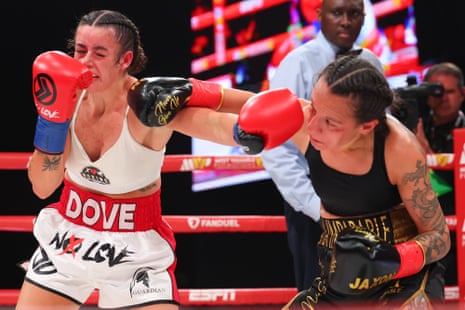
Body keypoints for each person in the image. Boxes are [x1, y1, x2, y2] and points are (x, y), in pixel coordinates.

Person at [15, 9, 305, 310]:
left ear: (125, 60)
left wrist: (245, 130)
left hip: (135, 249)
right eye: (80, 50)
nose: (86, 61)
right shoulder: (65, 97)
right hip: (68, 238)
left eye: (99, 53)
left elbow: (207, 119)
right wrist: (51, 121)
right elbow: (42, 187)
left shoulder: (147, 105)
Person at [282, 55, 450, 309]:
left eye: (331, 122)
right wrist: (203, 93)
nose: (313, 124)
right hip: (342, 280)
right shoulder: (312, 121)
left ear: (367, 125)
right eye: (313, 108)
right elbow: (235, 111)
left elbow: (439, 236)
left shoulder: (399, 149)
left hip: (405, 279)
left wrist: (394, 259)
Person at [261, 0, 383, 291]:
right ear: (319, 15)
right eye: (337, 13)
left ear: (363, 18)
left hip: (368, 201)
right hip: (314, 205)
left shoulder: (371, 63)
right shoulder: (298, 62)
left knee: (371, 293)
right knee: (317, 293)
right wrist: (315, 207)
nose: (345, 21)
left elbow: (382, 134)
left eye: (354, 14)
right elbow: (276, 144)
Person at [415, 62, 465, 287]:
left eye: (450, 91)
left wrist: (426, 157)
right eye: (437, 91)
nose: (443, 97)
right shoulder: (415, 128)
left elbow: (453, 186)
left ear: (463, 94)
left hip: (459, 230)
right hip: (424, 231)